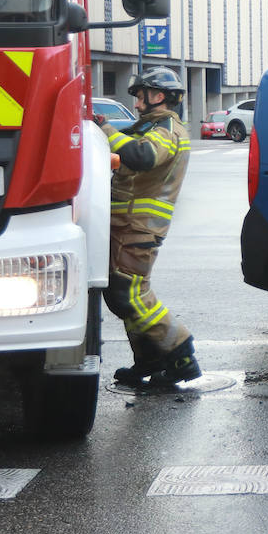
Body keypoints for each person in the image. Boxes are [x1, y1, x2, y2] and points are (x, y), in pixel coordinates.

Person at [93, 66, 204, 386]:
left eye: (141, 96)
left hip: (139, 228)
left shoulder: (166, 129)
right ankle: (148, 359)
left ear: (158, 96)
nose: (138, 104)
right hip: (127, 225)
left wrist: (107, 130)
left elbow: (142, 156)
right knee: (118, 295)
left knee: (130, 293)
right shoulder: (149, 126)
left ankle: (181, 351)